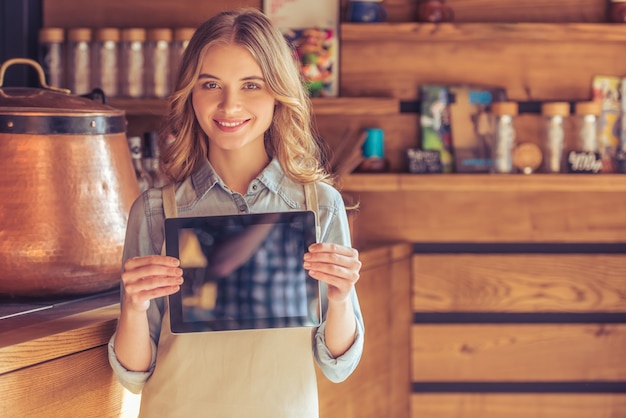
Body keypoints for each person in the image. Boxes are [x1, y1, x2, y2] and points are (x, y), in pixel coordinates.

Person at [108, 7, 364, 418]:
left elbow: (338, 364)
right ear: (190, 93)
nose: (230, 105)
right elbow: (135, 375)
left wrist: (340, 297)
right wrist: (134, 308)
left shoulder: (319, 206)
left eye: (251, 85)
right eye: (211, 84)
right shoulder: (156, 212)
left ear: (278, 92)